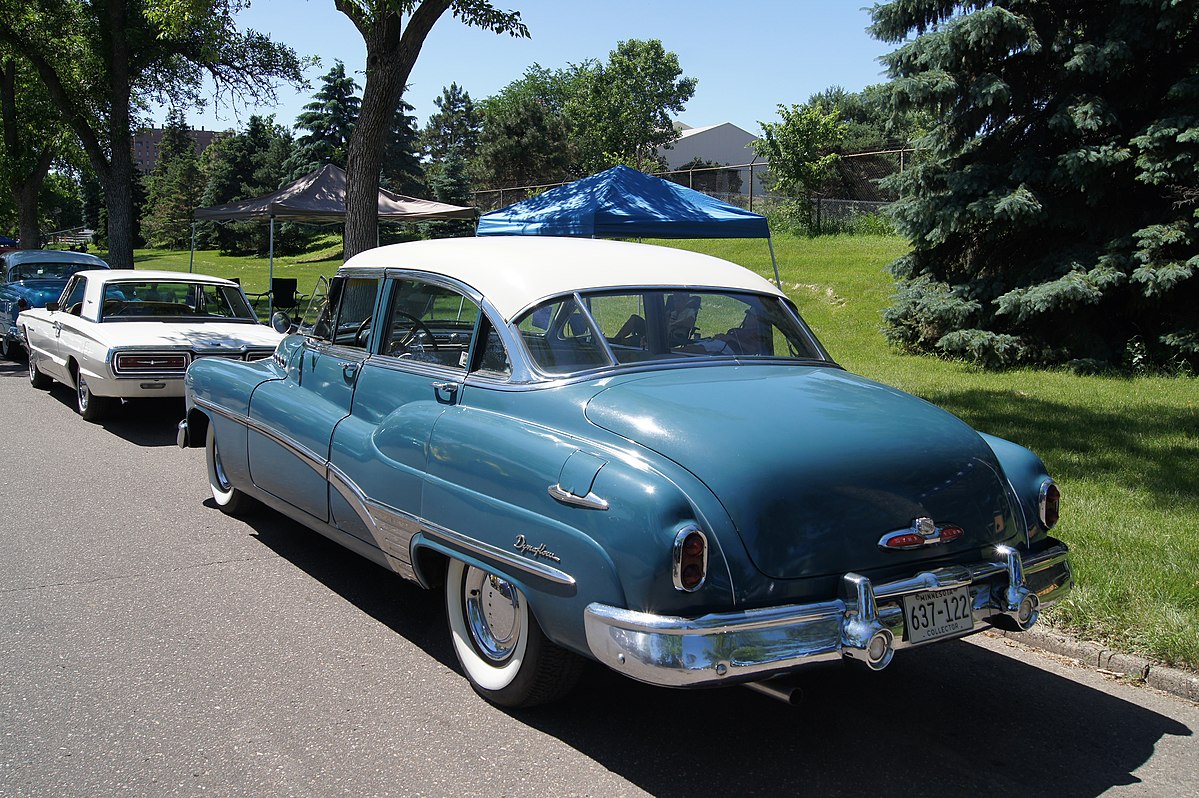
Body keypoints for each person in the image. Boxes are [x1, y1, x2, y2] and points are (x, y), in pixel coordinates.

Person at [613, 293, 699, 348]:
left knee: (633, 340)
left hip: (666, 338)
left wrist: (668, 319)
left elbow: (679, 324)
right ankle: (616, 340)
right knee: (634, 319)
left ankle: (617, 345)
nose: (676, 303)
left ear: (686, 301)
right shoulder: (674, 312)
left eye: (679, 301)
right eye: (675, 301)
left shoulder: (689, 313)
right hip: (657, 331)